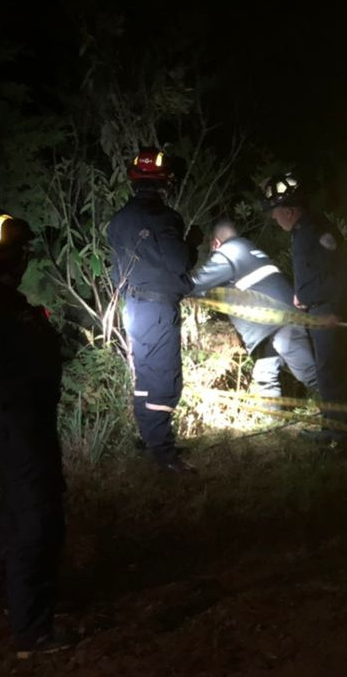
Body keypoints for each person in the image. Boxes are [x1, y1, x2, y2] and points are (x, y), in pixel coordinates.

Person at [0, 209, 71, 658]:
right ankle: (33, 631)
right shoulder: (8, 311)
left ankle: (25, 612)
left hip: (3, 418)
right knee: (36, 518)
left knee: (20, 513)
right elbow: (42, 361)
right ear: (10, 259)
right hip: (22, 421)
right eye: (21, 253)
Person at [106, 146, 195, 472]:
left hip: (134, 307)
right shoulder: (167, 219)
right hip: (158, 310)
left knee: (145, 377)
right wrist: (192, 244)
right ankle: (164, 455)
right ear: (165, 182)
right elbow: (179, 262)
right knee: (163, 381)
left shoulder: (118, 221)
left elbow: (117, 269)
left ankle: (151, 438)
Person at [263, 173, 347, 445]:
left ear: (290, 211)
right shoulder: (310, 228)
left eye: (275, 211)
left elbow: (343, 273)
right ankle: (335, 429)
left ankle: (341, 436)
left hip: (327, 312)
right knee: (329, 372)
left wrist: (335, 309)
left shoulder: (309, 231)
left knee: (332, 373)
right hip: (322, 309)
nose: (274, 217)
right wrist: (302, 294)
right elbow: (320, 272)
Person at [189, 218, 322, 397]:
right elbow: (219, 290)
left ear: (216, 243)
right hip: (277, 323)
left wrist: (171, 288)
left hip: (277, 323)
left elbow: (198, 283)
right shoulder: (250, 250)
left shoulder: (228, 253)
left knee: (310, 374)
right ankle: (273, 421)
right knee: (264, 374)